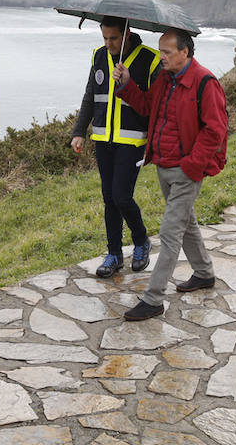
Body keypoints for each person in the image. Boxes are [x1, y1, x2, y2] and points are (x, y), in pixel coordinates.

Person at [112, 28, 228, 320]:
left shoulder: (205, 82)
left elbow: (216, 130)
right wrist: (126, 84)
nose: (161, 56)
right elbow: (148, 108)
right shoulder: (165, 79)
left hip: (186, 169)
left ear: (185, 52)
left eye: (167, 52)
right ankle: (204, 273)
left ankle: (153, 299)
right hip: (163, 165)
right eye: (160, 50)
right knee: (186, 222)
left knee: (170, 231)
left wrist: (192, 165)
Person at [71, 16, 161, 278]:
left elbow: (152, 107)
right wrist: (79, 132)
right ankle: (114, 254)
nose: (109, 43)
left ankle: (141, 240)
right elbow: (90, 95)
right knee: (109, 198)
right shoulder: (98, 56)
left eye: (114, 38)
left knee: (122, 196)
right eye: (105, 38)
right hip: (103, 139)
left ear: (127, 33)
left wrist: (127, 83)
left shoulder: (150, 59)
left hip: (132, 141)